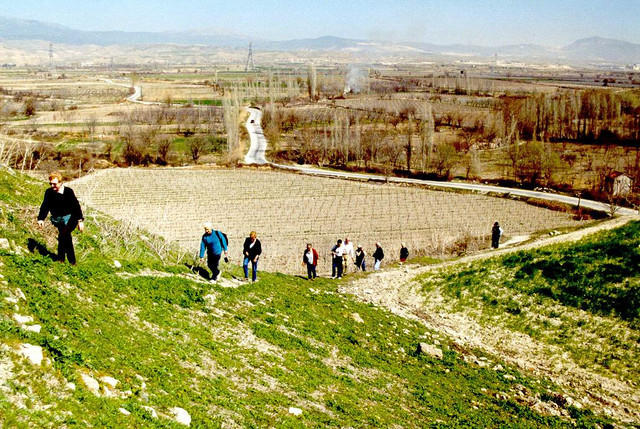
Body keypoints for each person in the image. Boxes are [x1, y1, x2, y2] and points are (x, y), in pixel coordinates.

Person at [37, 171, 84, 264]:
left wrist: (80, 221)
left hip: (72, 218)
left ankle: (61, 259)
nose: (52, 186)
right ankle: (72, 262)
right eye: (50, 184)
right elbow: (45, 206)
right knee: (66, 237)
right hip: (59, 220)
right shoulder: (49, 192)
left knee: (63, 235)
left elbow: (76, 206)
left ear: (60, 182)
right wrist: (41, 218)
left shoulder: (68, 192)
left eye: (54, 184)